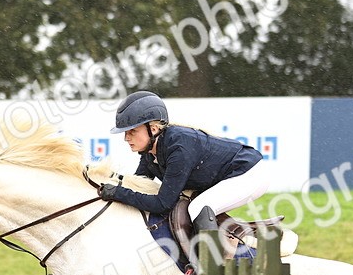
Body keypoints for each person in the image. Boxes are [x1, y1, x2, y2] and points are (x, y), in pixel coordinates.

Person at [98, 91, 270, 225]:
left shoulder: (178, 147)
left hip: (249, 174)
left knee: (197, 208)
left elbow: (162, 204)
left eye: (132, 131)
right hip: (232, 174)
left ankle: (211, 268)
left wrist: (118, 193)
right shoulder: (149, 152)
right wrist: (110, 181)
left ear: (154, 128)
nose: (126, 138)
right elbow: (140, 183)